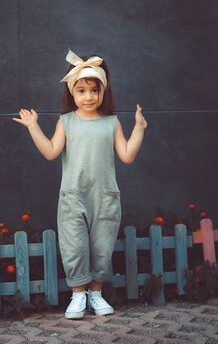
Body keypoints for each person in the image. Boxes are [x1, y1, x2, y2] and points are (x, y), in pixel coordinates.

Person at [12, 49, 148, 319]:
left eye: (94, 90)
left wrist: (139, 128)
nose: (88, 96)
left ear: (103, 92)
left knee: (101, 246)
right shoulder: (67, 122)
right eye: (82, 90)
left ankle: (95, 294)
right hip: (73, 196)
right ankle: (77, 295)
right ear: (72, 93)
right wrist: (33, 127)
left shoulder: (111, 123)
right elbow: (51, 152)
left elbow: (127, 156)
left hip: (105, 196)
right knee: (74, 245)